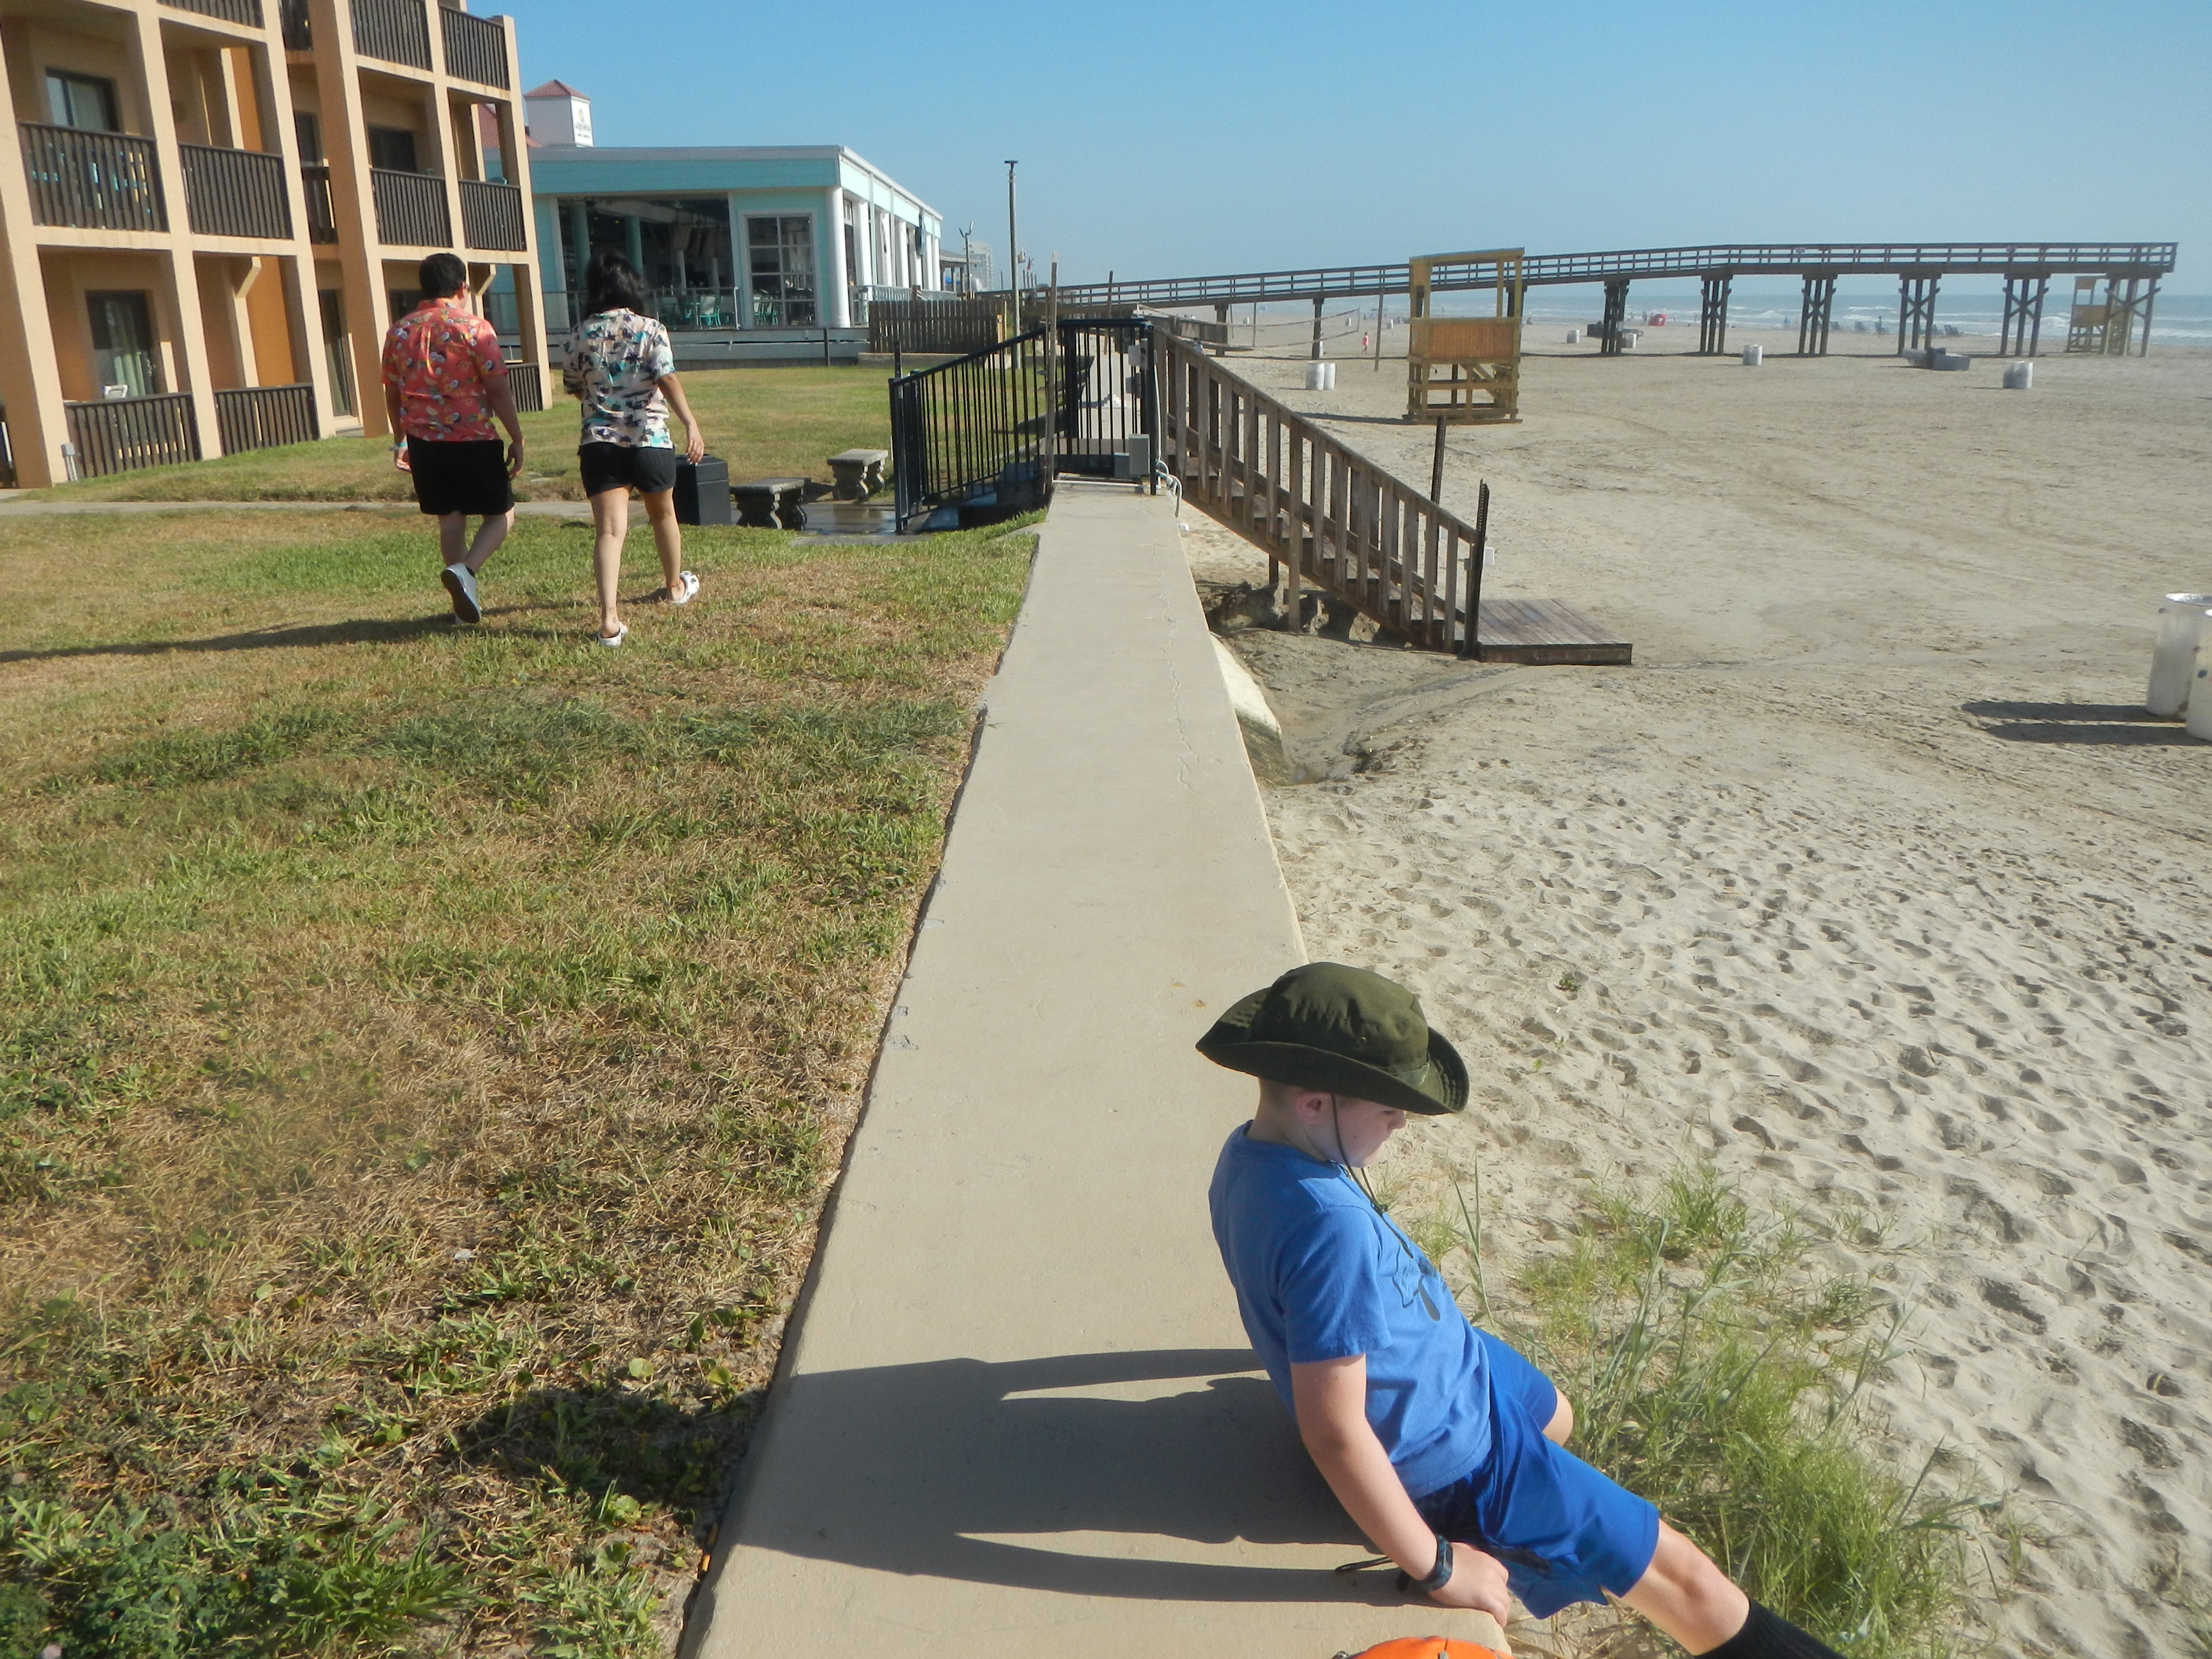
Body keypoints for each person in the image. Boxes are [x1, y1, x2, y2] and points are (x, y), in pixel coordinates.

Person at [1199, 962, 1846, 1659]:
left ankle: (1554, 1528)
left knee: (1557, 1414)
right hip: (1459, 1464)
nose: (1402, 1124)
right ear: (1315, 1105)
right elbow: (1335, 1434)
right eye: (1388, 1110)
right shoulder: (1330, 1225)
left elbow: (1283, 1297)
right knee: (1690, 1583)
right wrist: (1436, 1565)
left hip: (1459, 1372)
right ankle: (1520, 1535)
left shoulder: (1246, 1156)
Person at [562, 252, 707, 648]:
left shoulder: (579, 333)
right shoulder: (650, 329)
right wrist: (691, 423)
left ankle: (609, 620)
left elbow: (573, 384)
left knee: (610, 531)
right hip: (650, 440)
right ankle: (675, 586)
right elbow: (668, 379)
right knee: (664, 515)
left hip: (599, 444)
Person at [379, 251, 524, 625]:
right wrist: (517, 436)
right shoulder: (475, 328)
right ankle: (467, 573)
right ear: (462, 287)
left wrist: (400, 440)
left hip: (425, 442)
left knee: (451, 520)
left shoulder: (399, 331)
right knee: (503, 514)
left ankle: (463, 602)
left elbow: (393, 394)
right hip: (473, 435)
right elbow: (497, 389)